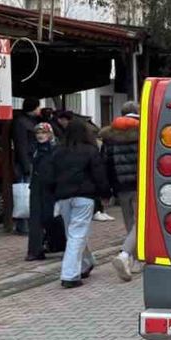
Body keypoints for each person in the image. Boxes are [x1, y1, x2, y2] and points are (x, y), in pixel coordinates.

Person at [39, 119, 109, 288]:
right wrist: (105, 193)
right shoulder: (90, 150)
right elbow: (99, 174)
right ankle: (70, 275)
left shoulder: (57, 151)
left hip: (63, 197)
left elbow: (49, 176)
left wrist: (53, 193)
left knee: (73, 233)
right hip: (84, 196)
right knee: (77, 234)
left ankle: (86, 263)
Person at [100, 101, 141, 281]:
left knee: (129, 221)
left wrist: (109, 189)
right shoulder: (144, 129)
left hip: (121, 186)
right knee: (140, 223)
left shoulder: (110, 135)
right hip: (140, 185)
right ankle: (130, 257)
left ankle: (132, 258)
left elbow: (106, 163)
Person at [25, 122, 61, 261]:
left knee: (51, 217)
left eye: (44, 133)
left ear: (50, 133)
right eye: (38, 133)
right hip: (37, 186)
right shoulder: (34, 149)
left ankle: (55, 243)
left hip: (52, 187)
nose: (40, 135)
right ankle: (35, 250)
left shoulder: (56, 148)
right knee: (35, 219)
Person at [11, 98, 43, 234]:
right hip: (26, 162)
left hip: (32, 160)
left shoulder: (32, 121)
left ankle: (29, 223)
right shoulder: (21, 122)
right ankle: (22, 225)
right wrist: (25, 165)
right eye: (38, 107)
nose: (40, 109)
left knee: (30, 194)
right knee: (23, 194)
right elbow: (21, 145)